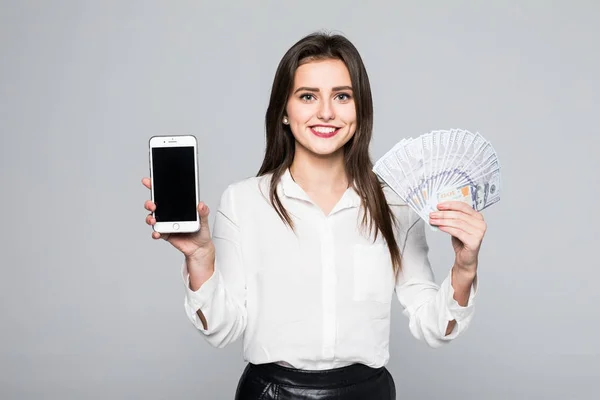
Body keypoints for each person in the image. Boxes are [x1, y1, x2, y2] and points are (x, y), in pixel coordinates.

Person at [142, 31, 486, 400]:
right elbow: (222, 329)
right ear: (285, 112)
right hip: (271, 393)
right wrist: (201, 259)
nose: (326, 112)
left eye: (342, 96)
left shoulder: (395, 205)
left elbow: (434, 327)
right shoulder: (244, 201)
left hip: (367, 392)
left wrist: (464, 268)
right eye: (308, 96)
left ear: (360, 109)